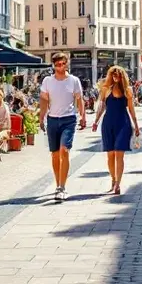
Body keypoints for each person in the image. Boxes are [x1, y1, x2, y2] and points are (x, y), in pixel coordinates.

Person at [39, 52, 86, 202]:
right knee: (55, 154)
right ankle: (58, 182)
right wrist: (41, 117)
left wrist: (83, 116)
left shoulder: (73, 81)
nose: (60, 67)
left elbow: (79, 99)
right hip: (53, 120)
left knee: (64, 151)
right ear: (53, 65)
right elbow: (44, 101)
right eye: (57, 65)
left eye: (62, 64)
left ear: (67, 64)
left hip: (69, 120)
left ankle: (61, 187)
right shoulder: (47, 81)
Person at [92, 65, 141, 196]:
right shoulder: (106, 89)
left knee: (119, 154)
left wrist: (136, 125)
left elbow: (131, 109)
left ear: (122, 76)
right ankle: (113, 179)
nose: (116, 77)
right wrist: (96, 121)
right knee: (110, 155)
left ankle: (118, 184)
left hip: (123, 124)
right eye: (113, 75)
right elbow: (101, 106)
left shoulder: (128, 91)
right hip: (108, 124)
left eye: (118, 75)